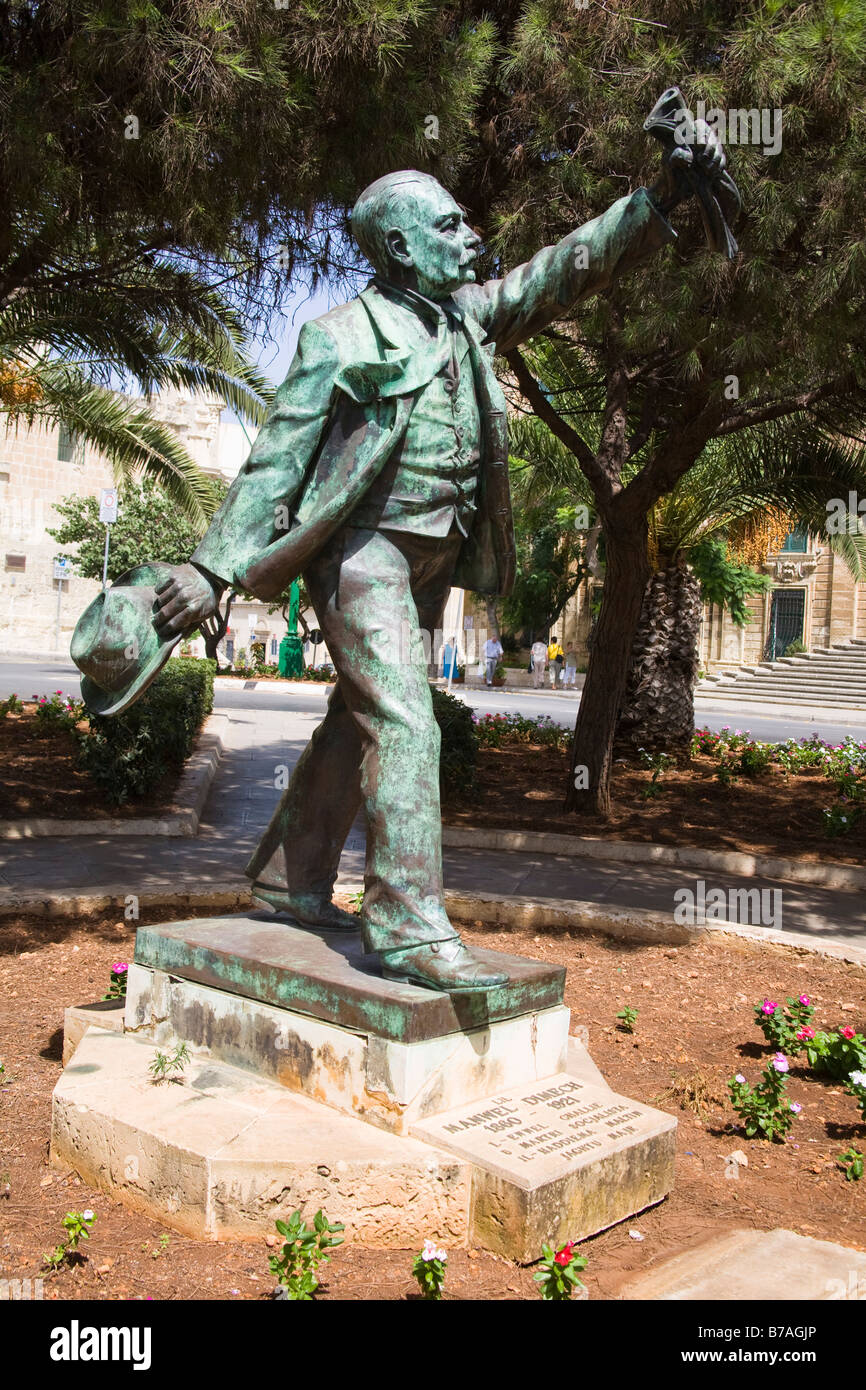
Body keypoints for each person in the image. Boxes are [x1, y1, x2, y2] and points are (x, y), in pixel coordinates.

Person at [148, 131, 725, 992]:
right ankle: (409, 925)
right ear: (398, 247)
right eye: (451, 228)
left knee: (359, 716)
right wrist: (212, 567)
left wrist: (658, 201)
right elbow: (277, 461)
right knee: (406, 721)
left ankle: (287, 878)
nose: (472, 240)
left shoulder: (467, 316)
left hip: (430, 559)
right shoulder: (338, 337)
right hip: (357, 554)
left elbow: (558, 271)